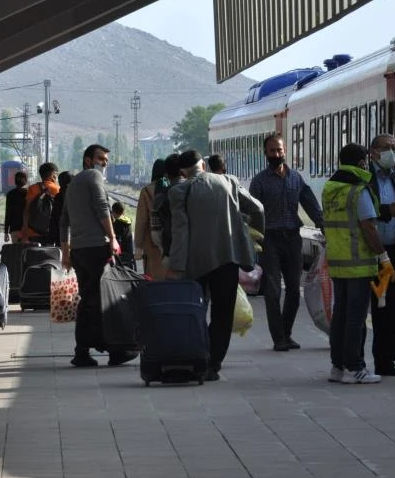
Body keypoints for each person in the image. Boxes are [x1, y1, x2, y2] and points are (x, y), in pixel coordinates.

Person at [166, 149, 264, 381]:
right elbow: (258, 208)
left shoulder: (179, 190)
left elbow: (181, 231)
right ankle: (213, 364)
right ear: (204, 164)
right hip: (227, 259)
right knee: (222, 314)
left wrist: (176, 265)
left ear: (182, 171)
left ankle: (198, 357)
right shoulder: (228, 181)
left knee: (196, 312)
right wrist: (256, 236)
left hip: (195, 262)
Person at [59, 144, 135, 367]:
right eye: (100, 158)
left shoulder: (73, 185)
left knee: (89, 300)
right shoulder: (94, 177)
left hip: (80, 251)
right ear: (88, 160)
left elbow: (64, 221)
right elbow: (102, 208)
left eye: (106, 160)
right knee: (105, 300)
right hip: (96, 249)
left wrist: (66, 252)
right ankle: (114, 349)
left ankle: (83, 350)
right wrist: (112, 238)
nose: (104, 163)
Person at [250, 133, 324, 351]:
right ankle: (278, 338)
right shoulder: (259, 182)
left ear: (285, 151)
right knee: (273, 291)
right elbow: (252, 213)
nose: (276, 154)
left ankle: (286, 332)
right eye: (272, 151)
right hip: (269, 240)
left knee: (293, 290)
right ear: (265, 154)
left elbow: (310, 204)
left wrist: (323, 226)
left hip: (292, 238)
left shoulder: (295, 178)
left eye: (279, 150)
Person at [322, 143, 386, 384]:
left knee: (340, 316)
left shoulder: (330, 188)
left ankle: (337, 367)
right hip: (359, 262)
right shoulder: (358, 190)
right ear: (361, 162)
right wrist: (382, 255)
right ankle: (354, 367)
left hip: (338, 262)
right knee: (356, 319)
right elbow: (368, 226)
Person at [367, 134, 395, 376]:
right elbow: (365, 211)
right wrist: (387, 211)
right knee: (364, 306)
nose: (391, 153)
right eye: (386, 148)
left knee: (388, 310)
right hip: (370, 252)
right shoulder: (364, 179)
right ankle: (354, 360)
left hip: (391, 254)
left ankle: (386, 362)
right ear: (373, 152)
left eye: (394, 148)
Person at [135, 159, 168, 279]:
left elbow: (141, 222)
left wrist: (138, 247)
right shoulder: (175, 187)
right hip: (172, 245)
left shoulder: (147, 191)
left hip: (153, 245)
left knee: (154, 283)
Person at [21, 162, 59, 245]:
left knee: (35, 256)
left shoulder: (32, 188)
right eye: (56, 174)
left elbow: (27, 210)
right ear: (53, 175)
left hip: (33, 231)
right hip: (51, 231)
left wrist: (25, 227)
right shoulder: (57, 189)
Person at [2, 170, 28, 243]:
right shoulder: (29, 193)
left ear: (15, 181)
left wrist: (6, 232)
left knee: (16, 251)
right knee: (27, 252)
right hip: (27, 228)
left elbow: (8, 213)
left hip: (14, 228)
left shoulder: (10, 194)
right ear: (26, 181)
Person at [111, 201, 136, 270]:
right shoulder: (127, 221)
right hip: (129, 253)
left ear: (113, 212)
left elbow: (118, 242)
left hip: (123, 255)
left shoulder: (118, 224)